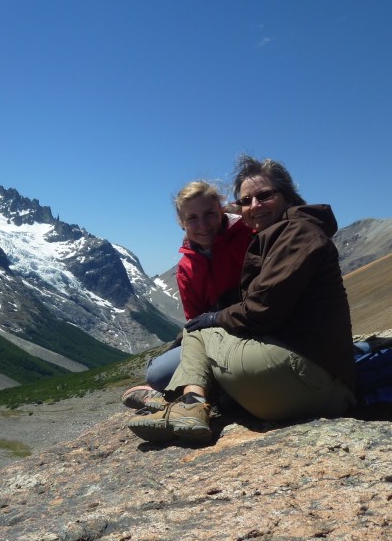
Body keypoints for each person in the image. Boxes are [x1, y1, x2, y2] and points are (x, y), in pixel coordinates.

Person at [128, 155, 356, 443]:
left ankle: (188, 403)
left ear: (287, 196)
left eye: (265, 196)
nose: (255, 206)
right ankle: (190, 396)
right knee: (179, 351)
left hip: (303, 373)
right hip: (304, 368)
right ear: (182, 223)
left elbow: (260, 311)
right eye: (247, 201)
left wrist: (214, 319)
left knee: (200, 332)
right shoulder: (278, 231)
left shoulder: (284, 233)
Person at [121, 180, 252, 410]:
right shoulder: (186, 268)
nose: (202, 225)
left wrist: (240, 208)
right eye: (192, 218)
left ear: (222, 210)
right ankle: (205, 391)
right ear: (182, 223)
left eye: (210, 213)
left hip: (253, 323)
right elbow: (195, 322)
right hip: (216, 337)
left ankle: (180, 396)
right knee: (156, 373)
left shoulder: (246, 234)